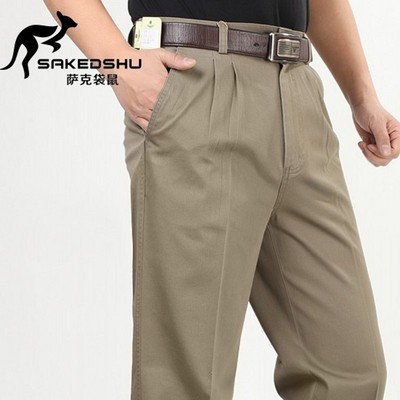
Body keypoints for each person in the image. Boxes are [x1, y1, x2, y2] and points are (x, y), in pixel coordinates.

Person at [43, 0, 399, 399]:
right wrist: (120, 64)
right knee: (186, 383)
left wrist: (362, 96)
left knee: (350, 373)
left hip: (298, 90)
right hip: (196, 80)